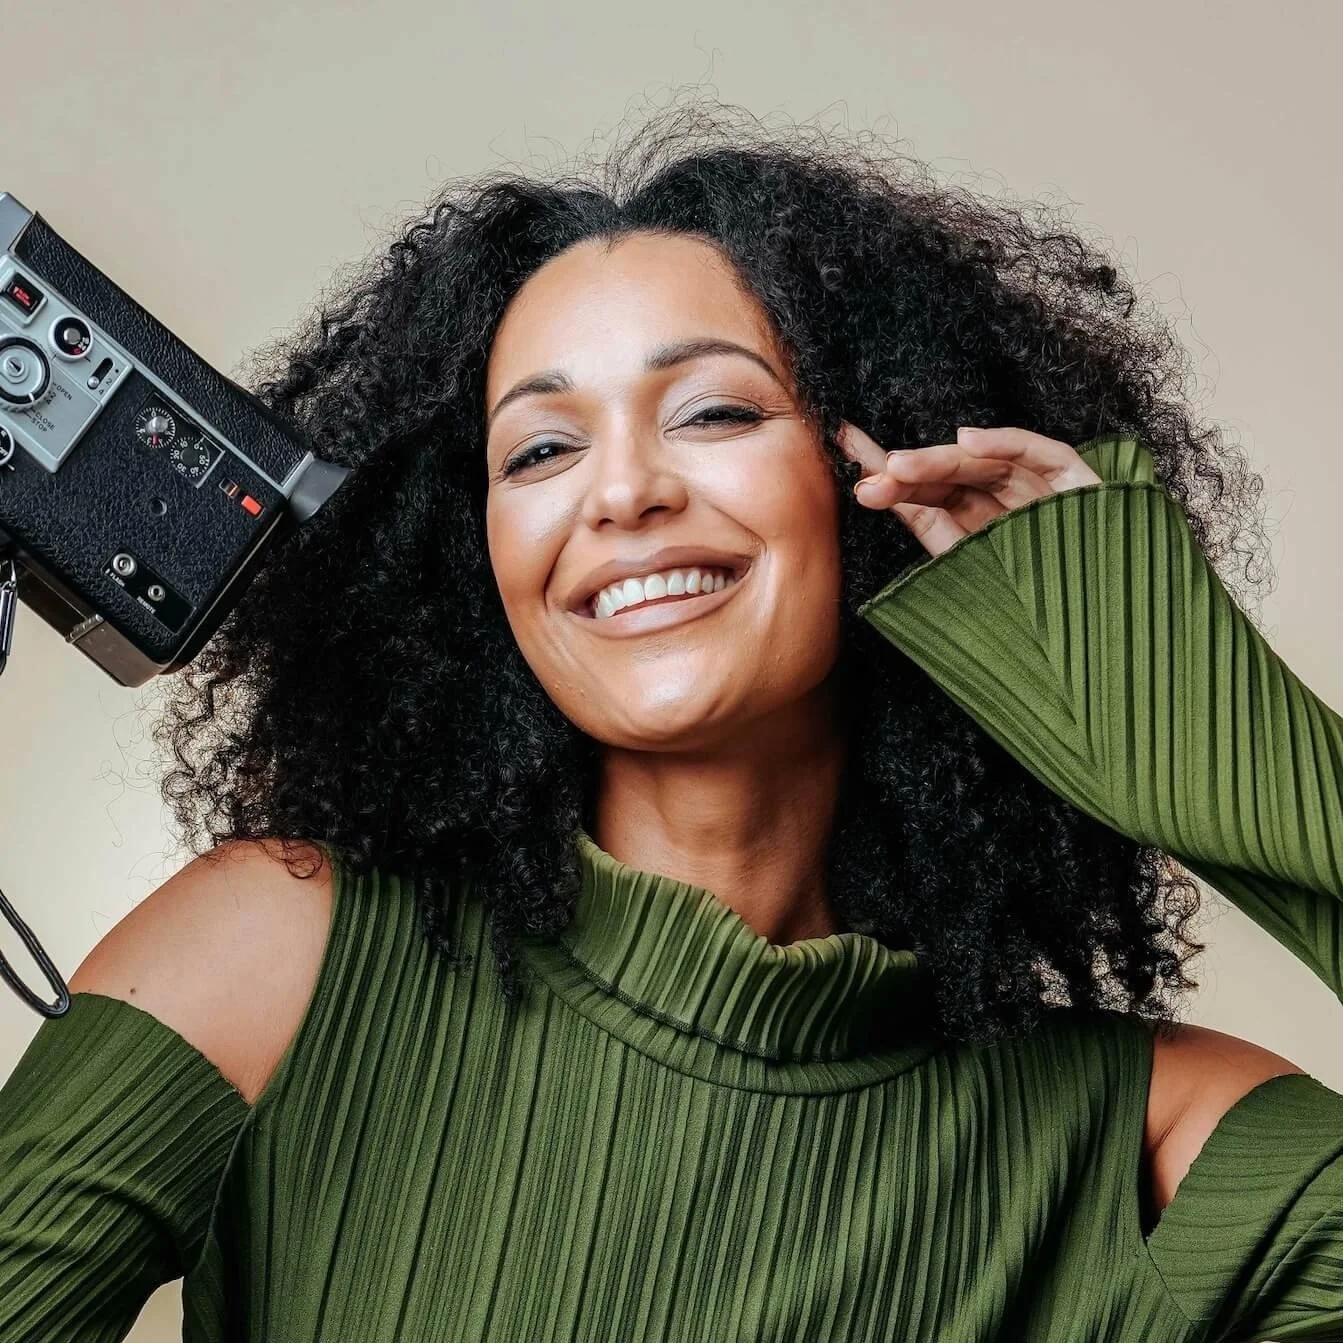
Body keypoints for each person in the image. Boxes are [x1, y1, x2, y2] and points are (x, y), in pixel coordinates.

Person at [1, 101, 1340, 1340]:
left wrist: (1168, 707)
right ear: (471, 557)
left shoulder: (1161, 1151)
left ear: (873, 475)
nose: (623, 490)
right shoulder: (274, 963)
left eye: (713, 410)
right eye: (538, 448)